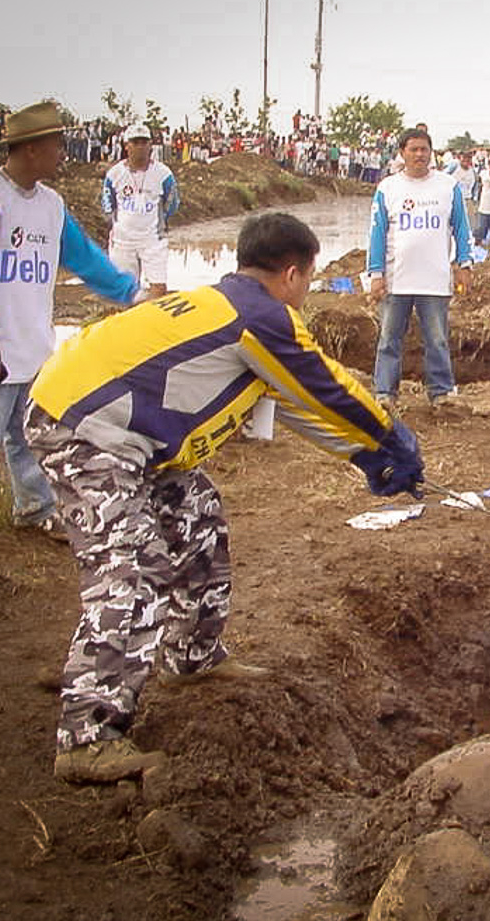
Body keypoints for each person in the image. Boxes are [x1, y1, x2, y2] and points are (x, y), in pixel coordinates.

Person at [26, 211, 423, 783]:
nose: (305, 293)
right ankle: (88, 733)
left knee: (198, 516)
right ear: (291, 274)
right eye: (307, 281)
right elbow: (325, 384)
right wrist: (391, 437)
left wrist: (362, 456)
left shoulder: (223, 308)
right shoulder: (259, 316)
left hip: (115, 431)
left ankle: (192, 655)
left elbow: (290, 403)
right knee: (133, 569)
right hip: (82, 430)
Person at [0, 101, 140, 560]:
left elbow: (84, 257)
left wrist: (130, 292)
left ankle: (35, 506)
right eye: (55, 143)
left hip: (31, 343)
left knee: (28, 433)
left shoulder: (50, 205)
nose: (62, 152)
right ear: (29, 149)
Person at [367, 128, 473, 408]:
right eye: (413, 149)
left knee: (437, 339)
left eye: (424, 149)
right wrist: (376, 274)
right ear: (402, 153)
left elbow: (462, 229)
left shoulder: (447, 187)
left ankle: (441, 392)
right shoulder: (387, 188)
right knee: (389, 338)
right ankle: (385, 394)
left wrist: (464, 264)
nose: (419, 155)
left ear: (431, 152)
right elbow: (376, 233)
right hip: (396, 278)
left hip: (434, 279)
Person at [102, 123, 180, 300]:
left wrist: (161, 221)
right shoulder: (114, 174)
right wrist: (117, 224)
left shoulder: (163, 174)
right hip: (123, 241)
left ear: (151, 145)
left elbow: (173, 201)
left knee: (158, 289)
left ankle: (153, 325)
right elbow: (107, 204)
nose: (140, 147)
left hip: (153, 239)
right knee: (124, 291)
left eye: (144, 142)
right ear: (126, 145)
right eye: (135, 142)